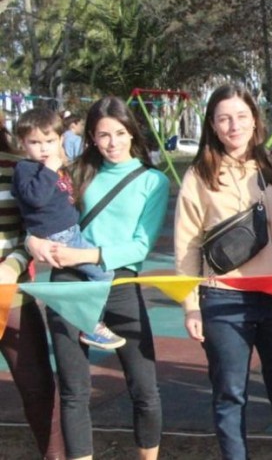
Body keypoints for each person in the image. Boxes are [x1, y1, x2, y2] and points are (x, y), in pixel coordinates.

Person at [175, 84, 272, 459]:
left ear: (254, 120)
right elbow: (187, 246)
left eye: (240, 116)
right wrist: (191, 305)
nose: (233, 126)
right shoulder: (200, 176)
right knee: (230, 394)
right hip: (222, 298)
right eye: (223, 119)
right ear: (213, 126)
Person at [28, 96, 169, 460]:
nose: (112, 142)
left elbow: (140, 245)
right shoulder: (76, 173)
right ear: (91, 137)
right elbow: (43, 215)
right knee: (74, 391)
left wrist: (87, 255)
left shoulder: (152, 181)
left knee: (145, 389)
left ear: (132, 132)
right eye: (103, 135)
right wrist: (31, 239)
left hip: (119, 285)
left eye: (120, 133)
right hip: (70, 284)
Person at [11, 109, 123, 351]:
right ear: (23, 144)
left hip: (70, 231)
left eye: (49, 141)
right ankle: (93, 324)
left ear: (60, 139)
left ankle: (89, 315)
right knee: (104, 274)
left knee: (90, 274)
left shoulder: (56, 166)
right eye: (35, 142)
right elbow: (36, 198)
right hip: (60, 236)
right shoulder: (27, 169)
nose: (43, 149)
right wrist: (50, 169)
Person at [0, 110, 65, 460]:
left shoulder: (18, 167)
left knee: (38, 387)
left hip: (11, 295)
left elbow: (36, 226)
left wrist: (13, 265)